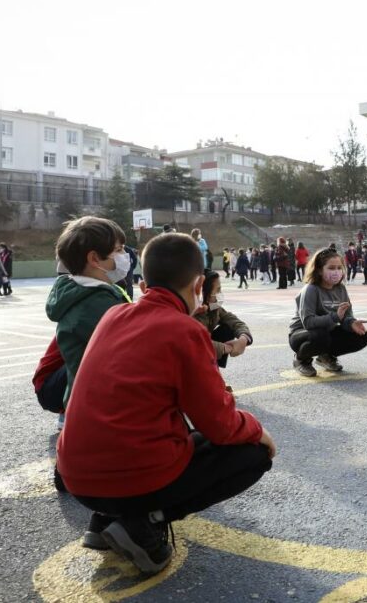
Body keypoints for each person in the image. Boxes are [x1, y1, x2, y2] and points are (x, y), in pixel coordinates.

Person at [58, 232, 275, 574]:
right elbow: (219, 424)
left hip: (75, 477)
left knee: (159, 425)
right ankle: (141, 522)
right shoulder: (185, 331)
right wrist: (258, 430)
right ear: (199, 284)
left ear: (145, 282)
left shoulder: (114, 315)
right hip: (128, 478)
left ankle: (106, 521)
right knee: (253, 454)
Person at [46, 216, 132, 430]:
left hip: (87, 406)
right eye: (119, 250)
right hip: (102, 412)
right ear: (94, 258)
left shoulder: (87, 293)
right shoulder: (95, 302)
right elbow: (133, 352)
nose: (125, 256)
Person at [289, 248, 367, 376]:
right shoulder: (311, 289)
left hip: (326, 331)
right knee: (321, 335)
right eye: (331, 268)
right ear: (320, 270)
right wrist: (335, 316)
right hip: (302, 335)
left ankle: (325, 356)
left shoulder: (341, 288)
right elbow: (308, 322)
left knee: (362, 336)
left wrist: (351, 323)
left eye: (339, 268)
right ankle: (301, 359)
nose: (336, 272)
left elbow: (346, 315)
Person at [193, 271, 253, 369]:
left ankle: (214, 369)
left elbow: (235, 322)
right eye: (218, 290)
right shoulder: (193, 314)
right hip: (188, 360)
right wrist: (226, 348)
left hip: (205, 353)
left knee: (227, 328)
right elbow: (198, 343)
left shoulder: (214, 309)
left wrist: (243, 338)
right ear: (206, 296)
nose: (220, 294)